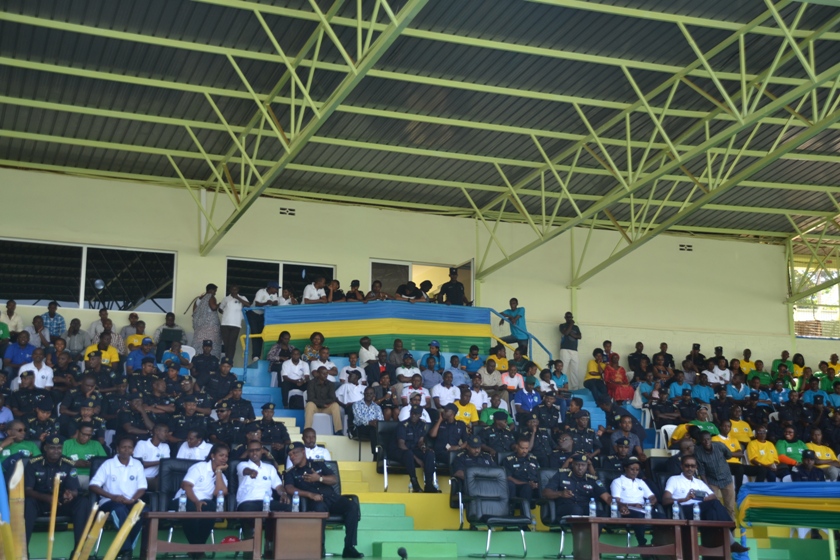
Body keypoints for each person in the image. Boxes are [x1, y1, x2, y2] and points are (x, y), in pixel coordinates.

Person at [285, 442, 364, 558]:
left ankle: (349, 547)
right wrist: (309, 494)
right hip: (315, 501)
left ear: (303, 452)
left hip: (332, 498)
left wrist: (319, 478)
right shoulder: (291, 473)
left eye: (294, 453)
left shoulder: (318, 464)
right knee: (320, 508)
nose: (292, 457)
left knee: (352, 505)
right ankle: (320, 547)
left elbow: (334, 479)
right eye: (290, 455)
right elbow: (289, 488)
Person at [662, 455, 749, 553]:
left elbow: (713, 496)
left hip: (700, 510)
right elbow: (665, 500)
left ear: (696, 467)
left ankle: (715, 548)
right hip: (684, 510)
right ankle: (731, 540)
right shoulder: (674, 479)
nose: (690, 468)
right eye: (687, 466)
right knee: (714, 504)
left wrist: (704, 498)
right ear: (682, 466)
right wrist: (685, 499)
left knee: (712, 512)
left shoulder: (699, 482)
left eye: (692, 466)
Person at [24, 434, 90, 553]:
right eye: (52, 448)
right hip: (39, 503)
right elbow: (27, 490)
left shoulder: (68, 463)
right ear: (45, 448)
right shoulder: (34, 463)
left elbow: (75, 489)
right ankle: (23, 551)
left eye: (59, 448)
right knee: (28, 503)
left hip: (61, 503)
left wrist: (70, 494)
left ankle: (79, 551)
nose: (56, 451)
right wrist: (47, 498)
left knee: (82, 502)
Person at [90, 436, 149, 559]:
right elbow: (93, 485)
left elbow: (142, 488)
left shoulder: (137, 464)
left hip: (131, 500)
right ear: (117, 449)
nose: (126, 450)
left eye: (129, 447)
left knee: (142, 511)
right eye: (123, 447)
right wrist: (112, 496)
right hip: (110, 501)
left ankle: (126, 551)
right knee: (119, 510)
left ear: (133, 450)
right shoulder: (108, 464)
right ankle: (127, 550)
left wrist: (132, 500)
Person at [237, 440, 291, 554]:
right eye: (251, 450)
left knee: (287, 508)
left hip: (267, 501)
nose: (254, 453)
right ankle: (250, 548)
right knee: (248, 511)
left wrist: (283, 493)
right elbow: (245, 471)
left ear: (262, 451)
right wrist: (251, 472)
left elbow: (278, 486)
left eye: (257, 450)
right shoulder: (242, 465)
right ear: (247, 452)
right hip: (247, 502)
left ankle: (271, 545)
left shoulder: (269, 468)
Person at [172, 443, 229, 545]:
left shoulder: (222, 477)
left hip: (203, 503)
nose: (224, 458)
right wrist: (196, 502)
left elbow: (220, 493)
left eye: (226, 456)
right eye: (221, 455)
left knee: (211, 506)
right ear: (212, 456)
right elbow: (185, 486)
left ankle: (198, 547)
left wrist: (218, 471)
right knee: (190, 507)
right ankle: (197, 547)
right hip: (183, 500)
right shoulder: (199, 467)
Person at [609, 456, 661, 546]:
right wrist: (633, 505)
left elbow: (652, 496)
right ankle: (642, 543)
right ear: (625, 468)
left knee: (661, 517)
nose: (635, 472)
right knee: (639, 517)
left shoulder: (640, 482)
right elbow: (616, 500)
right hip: (627, 509)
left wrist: (651, 502)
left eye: (637, 470)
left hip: (643, 509)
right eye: (632, 469)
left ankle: (657, 542)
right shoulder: (617, 481)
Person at [542, 454, 610, 516]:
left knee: (602, 515)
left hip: (585, 508)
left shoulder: (592, 479)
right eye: (577, 464)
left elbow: (606, 497)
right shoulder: (561, 475)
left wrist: (616, 504)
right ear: (572, 464)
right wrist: (560, 493)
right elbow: (545, 493)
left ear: (587, 466)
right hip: (565, 507)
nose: (580, 468)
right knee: (577, 510)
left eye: (583, 465)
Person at [693, 431, 737, 521]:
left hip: (726, 479)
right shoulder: (698, 452)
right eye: (704, 440)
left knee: (730, 507)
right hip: (712, 481)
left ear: (711, 439)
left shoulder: (720, 446)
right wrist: (707, 486)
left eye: (708, 439)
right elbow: (701, 471)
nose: (707, 442)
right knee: (714, 505)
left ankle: (730, 527)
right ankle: (717, 526)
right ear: (700, 441)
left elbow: (728, 455)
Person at [394, 405, 436, 492]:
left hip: (414, 449)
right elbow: (401, 444)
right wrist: (417, 459)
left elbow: (420, 441)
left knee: (429, 454)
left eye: (416, 414)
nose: (413, 415)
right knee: (409, 454)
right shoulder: (403, 425)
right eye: (412, 413)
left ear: (420, 415)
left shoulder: (422, 424)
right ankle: (415, 484)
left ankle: (429, 484)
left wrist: (423, 447)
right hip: (402, 451)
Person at [305, 367, 343, 434]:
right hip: (315, 407)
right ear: (318, 374)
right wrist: (322, 404)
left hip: (326, 408)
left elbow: (333, 398)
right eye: (323, 373)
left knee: (335, 405)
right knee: (309, 404)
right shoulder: (311, 383)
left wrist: (325, 404)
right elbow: (311, 398)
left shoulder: (330, 384)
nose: (326, 375)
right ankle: (307, 429)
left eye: (327, 373)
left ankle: (338, 430)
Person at [133, 423, 171, 491]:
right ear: (156, 431)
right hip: (138, 477)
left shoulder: (165, 447)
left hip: (153, 479)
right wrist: (160, 462)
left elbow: (166, 465)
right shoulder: (141, 444)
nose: (167, 434)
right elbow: (138, 464)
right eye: (165, 431)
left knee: (162, 483)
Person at [248, 281, 280, 360]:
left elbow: (276, 303)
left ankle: (258, 356)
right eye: (275, 289)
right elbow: (257, 304)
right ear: (270, 288)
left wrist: (274, 303)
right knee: (255, 334)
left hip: (263, 315)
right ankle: (255, 356)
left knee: (261, 335)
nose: (276, 291)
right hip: (253, 314)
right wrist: (266, 303)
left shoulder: (274, 294)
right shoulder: (261, 292)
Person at [219, 285, 249, 361]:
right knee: (226, 343)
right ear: (230, 290)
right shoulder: (226, 298)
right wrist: (226, 313)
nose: (234, 291)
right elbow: (220, 309)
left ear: (238, 290)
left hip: (236, 324)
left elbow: (248, 305)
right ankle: (226, 359)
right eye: (232, 289)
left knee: (232, 343)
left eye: (235, 289)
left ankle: (230, 360)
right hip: (225, 323)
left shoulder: (242, 297)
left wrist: (238, 298)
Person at [352, 387, 384, 455]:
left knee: (378, 430)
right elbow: (358, 419)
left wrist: (376, 423)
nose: (368, 395)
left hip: (373, 429)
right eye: (367, 393)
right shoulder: (357, 404)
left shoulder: (377, 407)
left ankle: (382, 454)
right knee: (373, 430)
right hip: (360, 428)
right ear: (364, 394)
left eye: (371, 393)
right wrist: (369, 422)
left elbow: (381, 420)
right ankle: (376, 454)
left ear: (374, 395)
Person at [558, 311, 582, 389]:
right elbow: (565, 333)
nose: (569, 318)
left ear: (572, 317)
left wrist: (571, 334)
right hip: (565, 349)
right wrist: (571, 324)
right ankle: (561, 386)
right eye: (567, 317)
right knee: (563, 369)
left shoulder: (576, 327)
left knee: (575, 369)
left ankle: (575, 387)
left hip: (574, 350)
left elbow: (579, 336)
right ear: (565, 318)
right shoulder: (562, 325)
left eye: (570, 317)